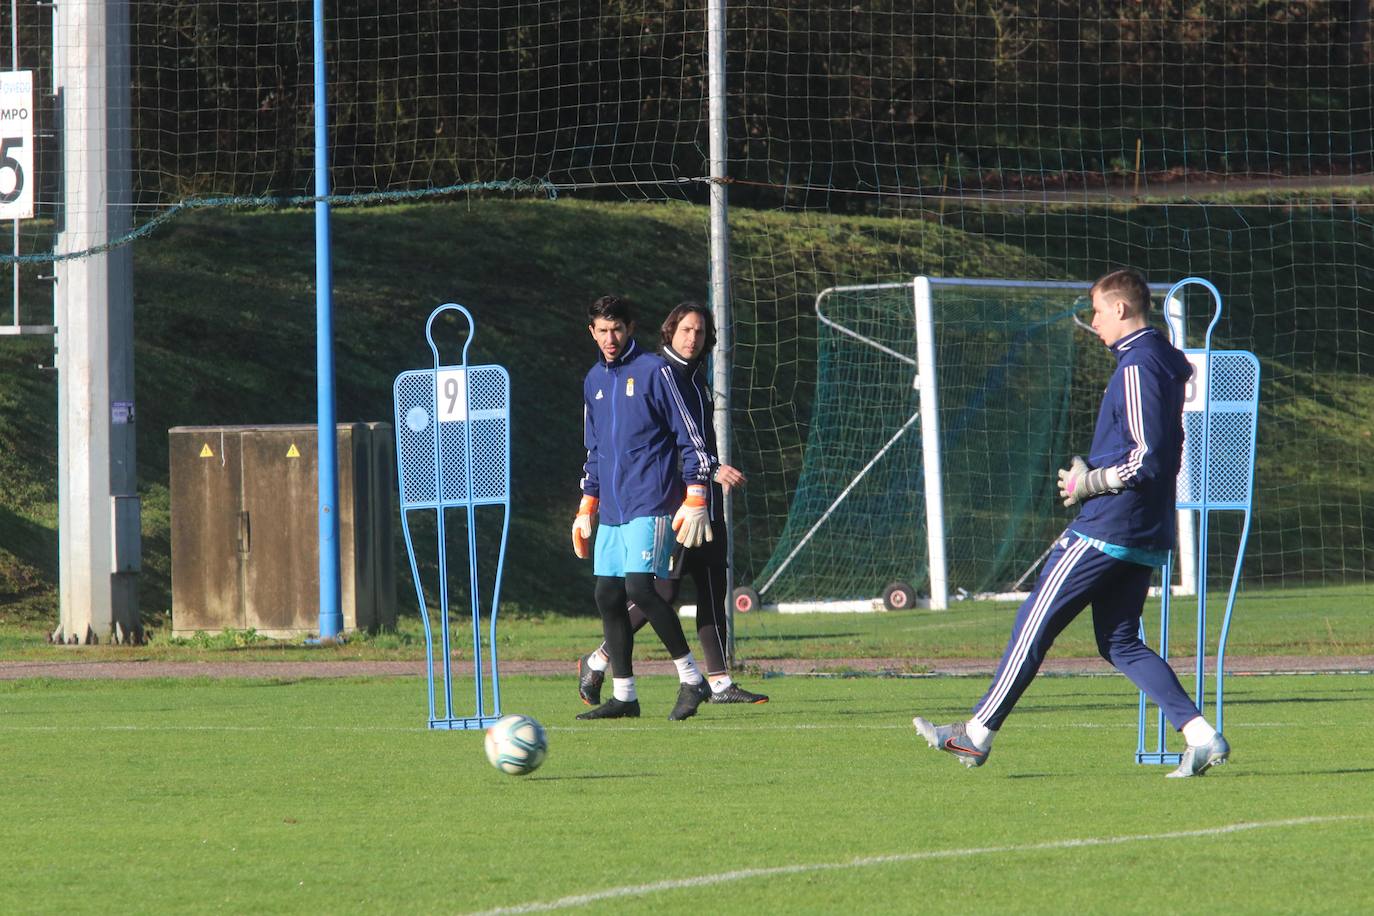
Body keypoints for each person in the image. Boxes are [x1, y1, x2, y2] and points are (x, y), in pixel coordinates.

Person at [912, 268, 1230, 778]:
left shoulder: (1138, 364)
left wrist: (1091, 483)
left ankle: (976, 734)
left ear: (1122, 310)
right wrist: (1097, 475)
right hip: (1145, 526)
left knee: (1033, 624)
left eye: (1099, 311)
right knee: (1120, 642)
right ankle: (1200, 736)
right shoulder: (1160, 363)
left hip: (1110, 524)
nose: (1094, 322)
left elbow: (1147, 456)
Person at [576, 303, 769, 709]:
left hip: (662, 502)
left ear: (630, 328)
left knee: (680, 586)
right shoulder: (603, 378)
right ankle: (619, 684)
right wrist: (587, 503)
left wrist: (700, 492)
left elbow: (688, 442)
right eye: (685, 330)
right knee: (625, 592)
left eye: (699, 331)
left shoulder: (666, 375)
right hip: (637, 507)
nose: (692, 337)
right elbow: (598, 449)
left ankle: (708, 681)